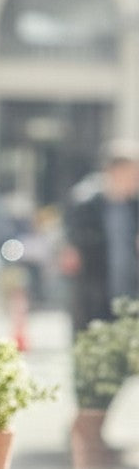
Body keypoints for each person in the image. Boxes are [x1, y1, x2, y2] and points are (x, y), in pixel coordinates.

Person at [61, 138, 139, 332]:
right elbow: (71, 252)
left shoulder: (134, 207)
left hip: (130, 300)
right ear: (115, 171)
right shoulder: (85, 206)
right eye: (133, 173)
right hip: (94, 301)